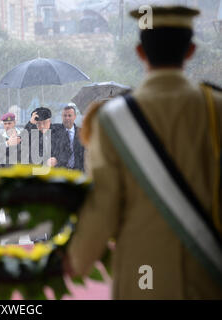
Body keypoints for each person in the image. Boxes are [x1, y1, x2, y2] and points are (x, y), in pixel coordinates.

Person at [65, 6, 222, 299]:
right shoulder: (216, 108)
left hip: (141, 276)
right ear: (190, 50)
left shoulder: (112, 119)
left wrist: (76, 259)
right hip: (207, 274)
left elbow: (103, 206)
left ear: (139, 52)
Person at [58, 103, 84, 171]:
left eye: (69, 115)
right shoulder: (56, 132)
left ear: (75, 117)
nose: (67, 118)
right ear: (62, 117)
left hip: (78, 171)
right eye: (65, 115)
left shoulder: (82, 133)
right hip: (61, 171)